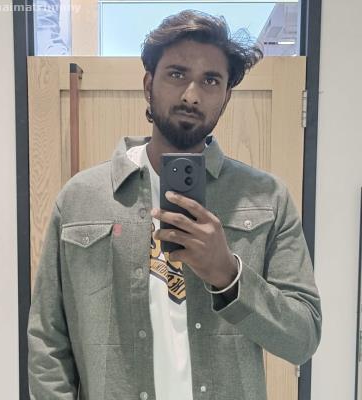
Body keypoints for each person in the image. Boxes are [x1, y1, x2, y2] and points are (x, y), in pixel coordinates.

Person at [27, 10, 322, 400]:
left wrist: (228, 274)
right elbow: (48, 341)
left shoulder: (266, 199)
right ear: (149, 84)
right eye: (177, 74)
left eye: (211, 80)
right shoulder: (82, 199)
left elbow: (302, 339)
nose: (191, 95)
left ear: (226, 97)